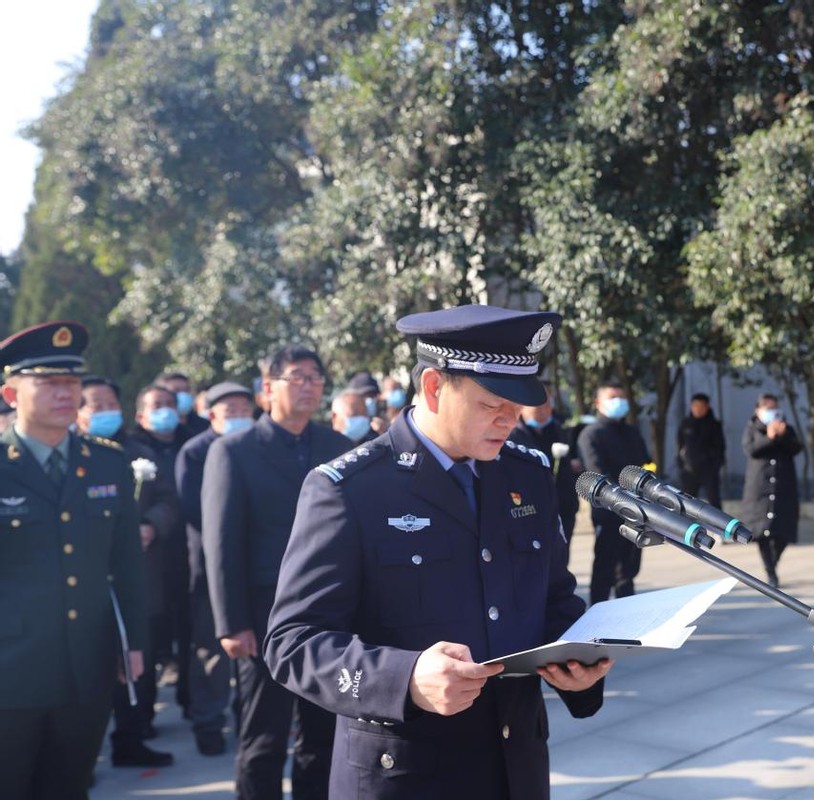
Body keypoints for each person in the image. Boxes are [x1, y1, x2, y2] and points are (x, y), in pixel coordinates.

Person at [264, 305, 608, 800]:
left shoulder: (526, 473)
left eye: (519, 404)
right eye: (494, 403)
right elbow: (292, 643)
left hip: (517, 769)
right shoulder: (349, 489)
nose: (512, 419)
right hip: (406, 774)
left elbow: (553, 598)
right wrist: (403, 679)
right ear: (432, 387)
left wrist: (580, 669)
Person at [0, 321, 148, 799]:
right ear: (11, 392)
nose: (65, 394)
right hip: (10, 672)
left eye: (71, 382)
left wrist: (134, 643)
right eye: (48, 382)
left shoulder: (106, 462)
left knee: (69, 787)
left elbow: (126, 562)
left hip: (87, 666)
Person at [202, 346, 351, 800]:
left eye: (315, 377)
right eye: (297, 377)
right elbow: (221, 543)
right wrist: (231, 623)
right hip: (263, 616)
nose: (308, 386)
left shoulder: (338, 447)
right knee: (263, 737)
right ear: (268, 387)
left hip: (330, 612)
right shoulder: (234, 451)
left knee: (322, 733)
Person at [77, 377, 176, 768]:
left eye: (109, 403)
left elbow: (170, 500)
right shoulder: (74, 456)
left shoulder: (139, 453)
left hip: (139, 575)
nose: (105, 411)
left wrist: (150, 525)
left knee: (138, 655)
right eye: (95, 405)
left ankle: (133, 736)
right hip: (85, 584)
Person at [175, 381, 256, 756]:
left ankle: (247, 719)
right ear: (211, 415)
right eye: (230, 411)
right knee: (210, 645)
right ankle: (207, 722)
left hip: (256, 563)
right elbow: (194, 508)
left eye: (244, 409)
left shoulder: (259, 446)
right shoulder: (195, 451)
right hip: (209, 562)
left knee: (254, 648)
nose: (239, 417)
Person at [128, 383, 191, 714]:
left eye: (170, 404)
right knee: (151, 634)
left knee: (189, 629)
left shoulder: (191, 442)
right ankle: (142, 712)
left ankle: (188, 695)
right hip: (149, 560)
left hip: (186, 550)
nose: (165, 411)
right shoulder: (132, 448)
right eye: (157, 405)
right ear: (141, 414)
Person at [577, 379, 651, 604]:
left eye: (621, 397)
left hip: (637, 511)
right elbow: (597, 473)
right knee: (604, 569)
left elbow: (645, 464)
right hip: (608, 512)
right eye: (612, 398)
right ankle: (596, 618)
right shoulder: (591, 434)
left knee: (628, 571)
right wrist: (622, 497)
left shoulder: (631, 432)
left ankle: (627, 617)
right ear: (598, 403)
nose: (618, 402)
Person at [741, 393, 803, 588]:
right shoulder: (752, 429)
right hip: (760, 490)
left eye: (774, 408)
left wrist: (781, 436)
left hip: (783, 488)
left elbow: (796, 447)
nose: (772, 412)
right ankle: (770, 573)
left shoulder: (787, 428)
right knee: (762, 533)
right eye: (767, 408)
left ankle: (773, 563)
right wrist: (769, 437)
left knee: (783, 531)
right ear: (758, 410)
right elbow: (751, 450)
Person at [509, 383, 583, 544]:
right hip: (530, 508)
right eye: (537, 404)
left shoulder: (560, 431)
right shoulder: (511, 436)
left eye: (547, 403)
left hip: (563, 506)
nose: (543, 409)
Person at [675, 392, 726, 508]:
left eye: (701, 406)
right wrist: (682, 464)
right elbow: (679, 446)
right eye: (695, 406)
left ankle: (717, 525)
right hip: (689, 470)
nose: (698, 409)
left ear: (707, 407)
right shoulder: (685, 424)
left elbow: (720, 448)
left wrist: (716, 465)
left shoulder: (714, 425)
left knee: (714, 502)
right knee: (687, 503)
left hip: (709, 470)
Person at [158, 371, 211, 440]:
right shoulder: (155, 427)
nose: (183, 395)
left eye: (187, 390)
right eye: (176, 390)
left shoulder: (205, 426)